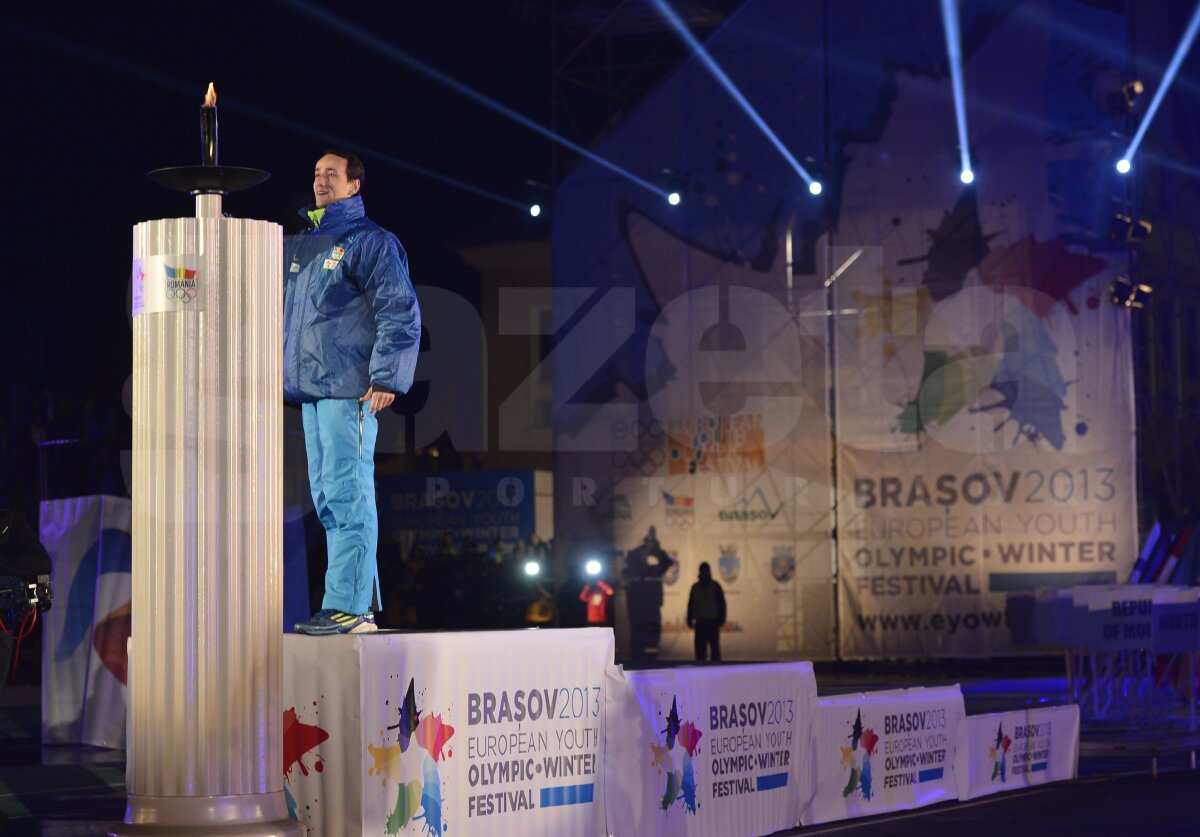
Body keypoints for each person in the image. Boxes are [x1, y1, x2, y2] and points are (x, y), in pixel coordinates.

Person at [285, 150, 421, 635]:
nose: (321, 181)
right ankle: (351, 602)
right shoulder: (300, 246)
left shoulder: (372, 242)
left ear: (353, 186)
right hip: (311, 390)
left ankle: (350, 606)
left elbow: (400, 309)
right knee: (327, 498)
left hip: (349, 389)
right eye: (317, 173)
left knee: (348, 493)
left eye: (332, 175)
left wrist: (387, 376)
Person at [686, 561, 726, 661]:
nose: (704, 574)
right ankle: (701, 673)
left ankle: (716, 672)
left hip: (712, 622)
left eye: (705, 571)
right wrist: (689, 619)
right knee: (700, 652)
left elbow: (721, 604)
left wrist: (721, 618)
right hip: (700, 622)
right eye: (703, 571)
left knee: (715, 651)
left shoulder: (715, 586)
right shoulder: (695, 587)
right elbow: (691, 605)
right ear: (700, 572)